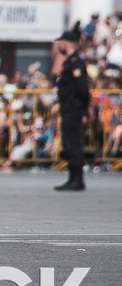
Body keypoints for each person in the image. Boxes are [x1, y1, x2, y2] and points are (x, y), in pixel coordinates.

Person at [53, 26, 91, 191]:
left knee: (74, 142)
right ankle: (72, 177)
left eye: (61, 41)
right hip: (68, 107)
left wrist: (83, 109)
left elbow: (82, 89)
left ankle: (77, 178)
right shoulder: (69, 62)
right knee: (69, 141)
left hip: (74, 107)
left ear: (67, 43)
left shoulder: (76, 63)